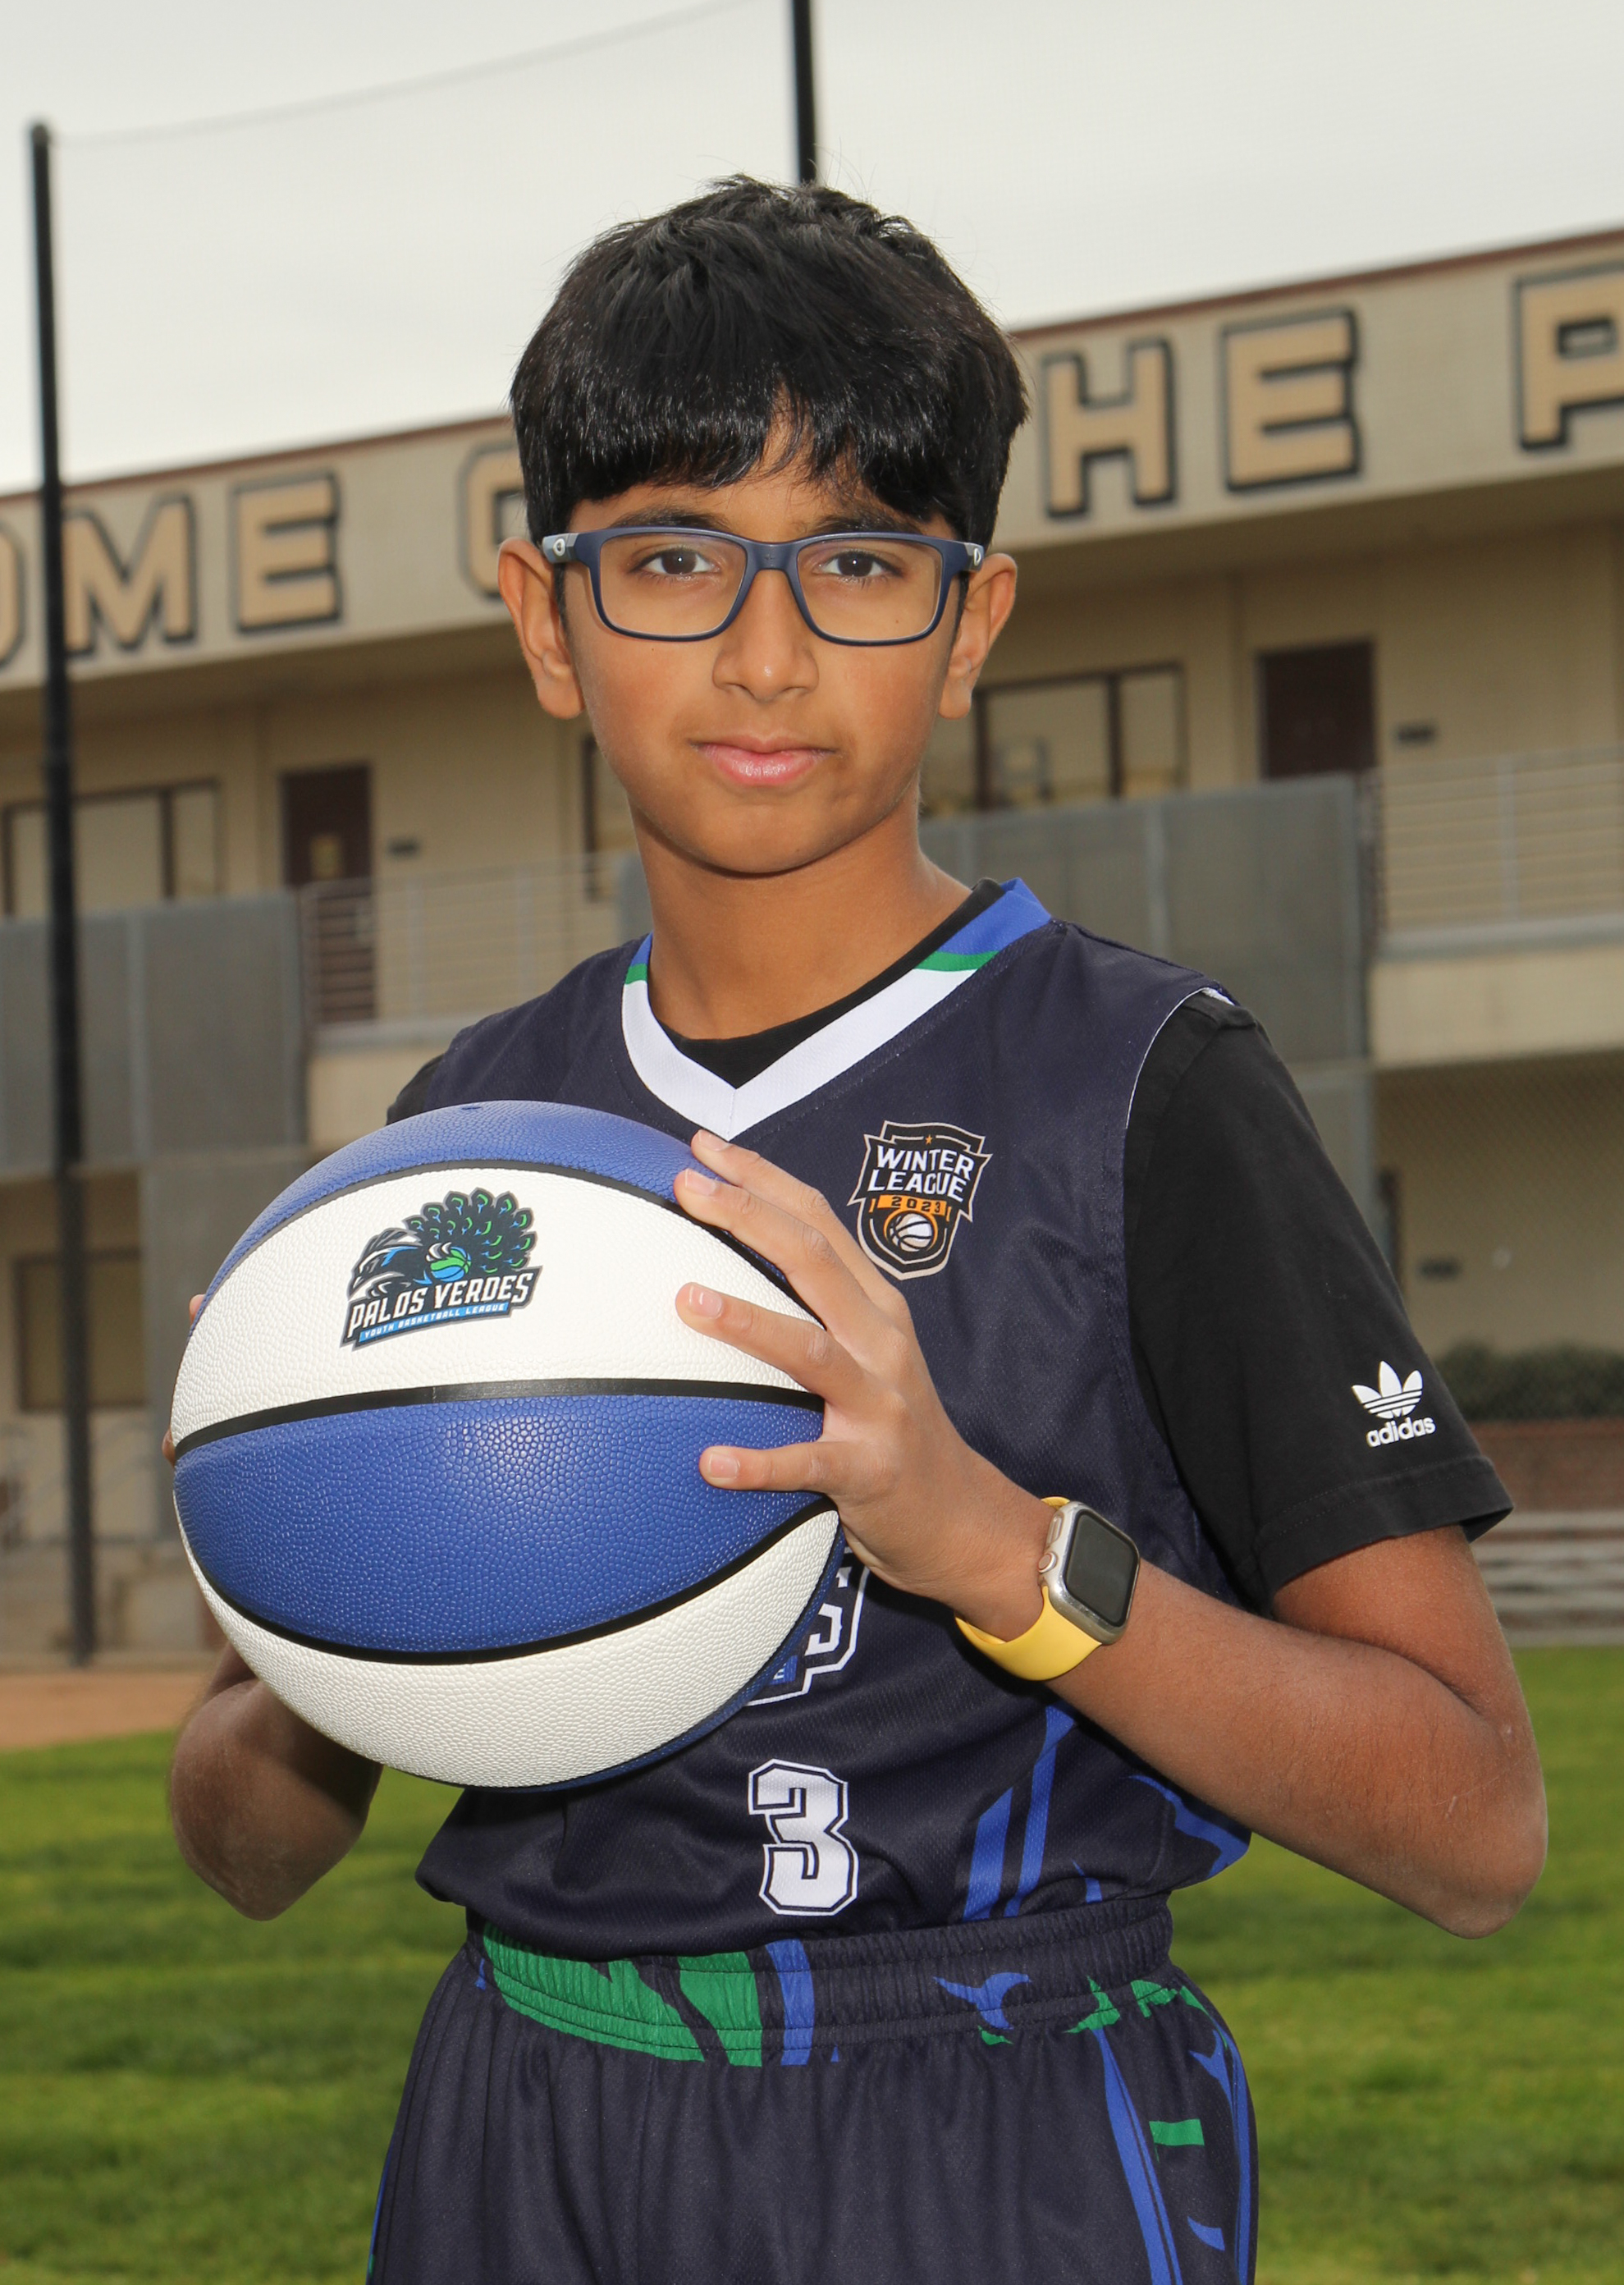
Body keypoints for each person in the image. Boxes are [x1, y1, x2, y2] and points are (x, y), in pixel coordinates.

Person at [168, 179, 1545, 2284]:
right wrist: (301, 1570)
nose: (765, 648)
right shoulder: (471, 1137)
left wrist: (999, 1550)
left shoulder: (1144, 1089)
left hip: (986, 2123)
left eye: (860, 561)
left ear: (971, 625)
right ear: (546, 619)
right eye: (671, 557)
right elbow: (251, 1851)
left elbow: (1473, 1824)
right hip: (523, 2119)